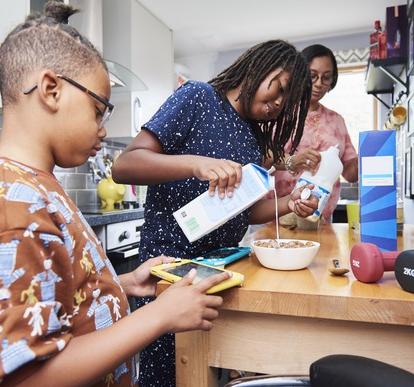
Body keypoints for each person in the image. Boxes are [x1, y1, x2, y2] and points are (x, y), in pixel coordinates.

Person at [0, 3, 232, 386]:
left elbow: (47, 298)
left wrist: (116, 286)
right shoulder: (10, 209)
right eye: (98, 110)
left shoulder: (29, 188)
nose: (104, 129)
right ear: (51, 90)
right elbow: (26, 378)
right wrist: (159, 316)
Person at [111, 40, 317, 386]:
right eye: (279, 88)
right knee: (167, 373)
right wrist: (196, 164)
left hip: (218, 269)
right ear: (256, 67)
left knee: (204, 372)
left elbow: (242, 212)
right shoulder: (197, 98)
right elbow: (125, 166)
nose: (279, 104)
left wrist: (289, 203)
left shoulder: (253, 139)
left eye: (288, 102)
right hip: (169, 269)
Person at [267, 44, 359, 223]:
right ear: (298, 75)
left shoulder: (336, 120)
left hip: (321, 219)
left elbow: (351, 174)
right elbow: (262, 155)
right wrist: (292, 161)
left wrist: (371, 153)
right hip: (277, 217)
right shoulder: (278, 113)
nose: (318, 84)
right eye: (312, 76)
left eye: (326, 78)